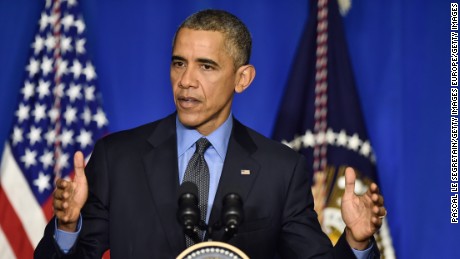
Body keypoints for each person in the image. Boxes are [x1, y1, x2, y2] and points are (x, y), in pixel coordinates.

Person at [34, 9, 386, 258]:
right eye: (178, 63)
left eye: (206, 66)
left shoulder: (281, 170)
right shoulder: (118, 158)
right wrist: (67, 227)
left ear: (242, 79)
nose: (186, 81)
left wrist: (356, 242)